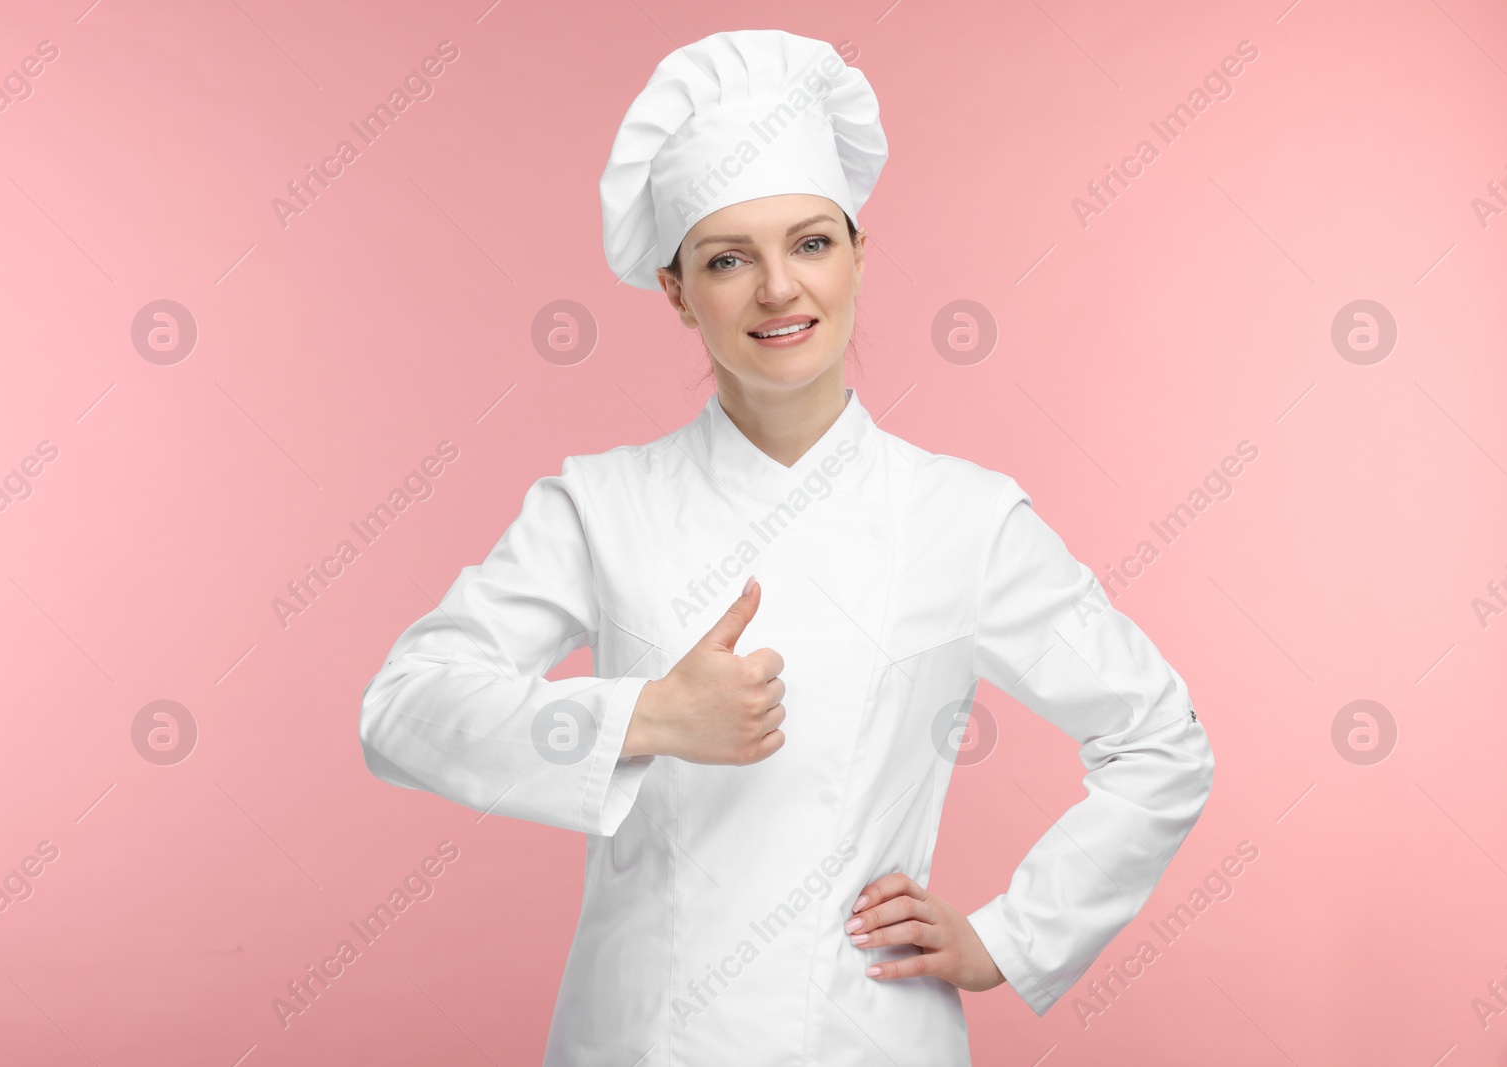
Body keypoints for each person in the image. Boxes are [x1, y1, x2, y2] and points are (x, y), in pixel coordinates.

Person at [358, 28, 1214, 1065]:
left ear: (857, 255)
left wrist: (1010, 936)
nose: (778, 289)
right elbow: (404, 708)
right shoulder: (600, 503)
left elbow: (1159, 740)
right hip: (640, 1039)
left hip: (870, 1034)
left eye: (810, 242)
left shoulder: (961, 516)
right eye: (728, 259)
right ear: (676, 291)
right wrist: (646, 714)